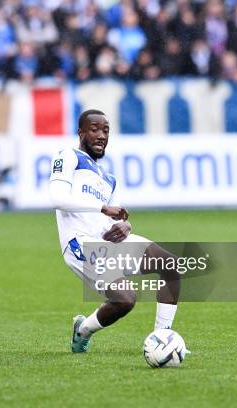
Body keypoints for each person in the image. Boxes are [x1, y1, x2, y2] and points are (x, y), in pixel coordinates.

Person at [49, 109, 181, 353]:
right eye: (94, 129)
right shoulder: (68, 156)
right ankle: (83, 331)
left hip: (107, 242)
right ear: (81, 132)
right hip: (81, 244)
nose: (101, 135)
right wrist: (102, 207)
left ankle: (162, 338)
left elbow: (112, 219)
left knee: (170, 265)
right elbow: (57, 198)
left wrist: (124, 225)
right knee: (125, 300)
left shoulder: (109, 179)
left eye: (106, 130)